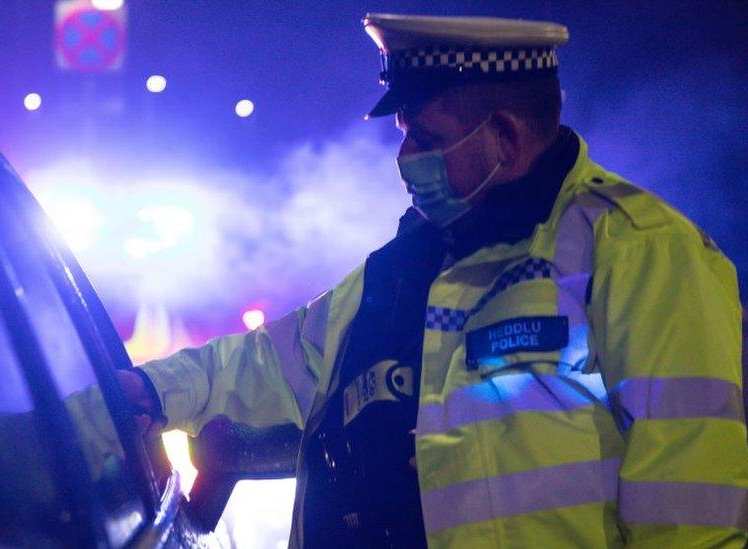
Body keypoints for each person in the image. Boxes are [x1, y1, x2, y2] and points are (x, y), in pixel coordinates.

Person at [118, 13, 748, 548]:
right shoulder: (405, 266)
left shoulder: (640, 252)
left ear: (504, 137)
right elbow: (259, 367)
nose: (405, 158)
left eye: (426, 137)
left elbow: (692, 507)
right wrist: (145, 390)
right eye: (403, 135)